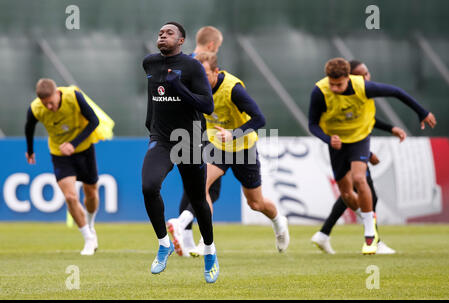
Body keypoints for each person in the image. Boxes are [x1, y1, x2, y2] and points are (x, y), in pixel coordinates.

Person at [308, 57, 436, 255]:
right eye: (331, 84)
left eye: (338, 84)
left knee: (360, 179)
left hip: (359, 139)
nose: (334, 88)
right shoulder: (319, 92)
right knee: (347, 195)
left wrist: (421, 112)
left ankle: (370, 233)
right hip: (338, 143)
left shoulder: (364, 88)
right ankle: (337, 230)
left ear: (348, 78)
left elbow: (396, 92)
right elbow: (312, 124)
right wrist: (327, 139)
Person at [177, 52, 290, 256]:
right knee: (200, 187)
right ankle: (206, 240)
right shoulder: (195, 87)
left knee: (256, 203)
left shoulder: (233, 89)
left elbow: (259, 119)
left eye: (204, 75)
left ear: (216, 72)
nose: (200, 80)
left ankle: (278, 221)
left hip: (243, 147)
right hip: (217, 146)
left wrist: (233, 134)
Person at [141, 22, 219, 283]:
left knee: (198, 199)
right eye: (160, 32)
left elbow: (207, 105)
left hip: (189, 140)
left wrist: (181, 89)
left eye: (169, 33)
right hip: (162, 139)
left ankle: (209, 250)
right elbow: (154, 95)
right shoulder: (149, 63)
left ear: (182, 40)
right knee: (149, 186)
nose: (162, 35)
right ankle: (164, 244)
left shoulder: (193, 66)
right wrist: (150, 124)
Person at [25, 78, 114, 255]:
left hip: (84, 149)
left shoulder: (74, 96)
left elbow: (94, 121)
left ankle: (90, 223)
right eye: (45, 104)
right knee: (71, 197)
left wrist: (74, 143)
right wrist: (30, 150)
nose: (49, 107)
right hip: (60, 154)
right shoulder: (36, 108)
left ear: (57, 93)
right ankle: (88, 238)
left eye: (50, 102)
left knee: (91, 192)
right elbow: (29, 127)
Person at [169, 26, 224, 257]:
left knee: (192, 186)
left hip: (181, 131)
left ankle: (188, 239)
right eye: (218, 47)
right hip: (203, 132)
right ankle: (181, 225)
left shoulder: (181, 62)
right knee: (210, 188)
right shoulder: (202, 66)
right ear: (212, 45)